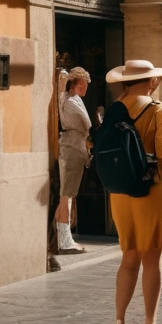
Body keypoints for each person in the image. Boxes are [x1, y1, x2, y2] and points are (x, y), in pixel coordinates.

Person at [105, 60, 162, 324]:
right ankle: (149, 323)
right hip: (152, 189)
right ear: (151, 81)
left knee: (128, 257)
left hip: (120, 194)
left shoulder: (115, 109)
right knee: (152, 259)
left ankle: (119, 322)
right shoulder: (156, 108)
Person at [55, 66, 92, 254]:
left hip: (78, 146)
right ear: (75, 84)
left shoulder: (76, 100)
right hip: (71, 147)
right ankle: (64, 239)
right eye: (82, 85)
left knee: (70, 194)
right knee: (66, 194)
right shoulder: (67, 100)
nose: (85, 89)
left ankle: (65, 236)